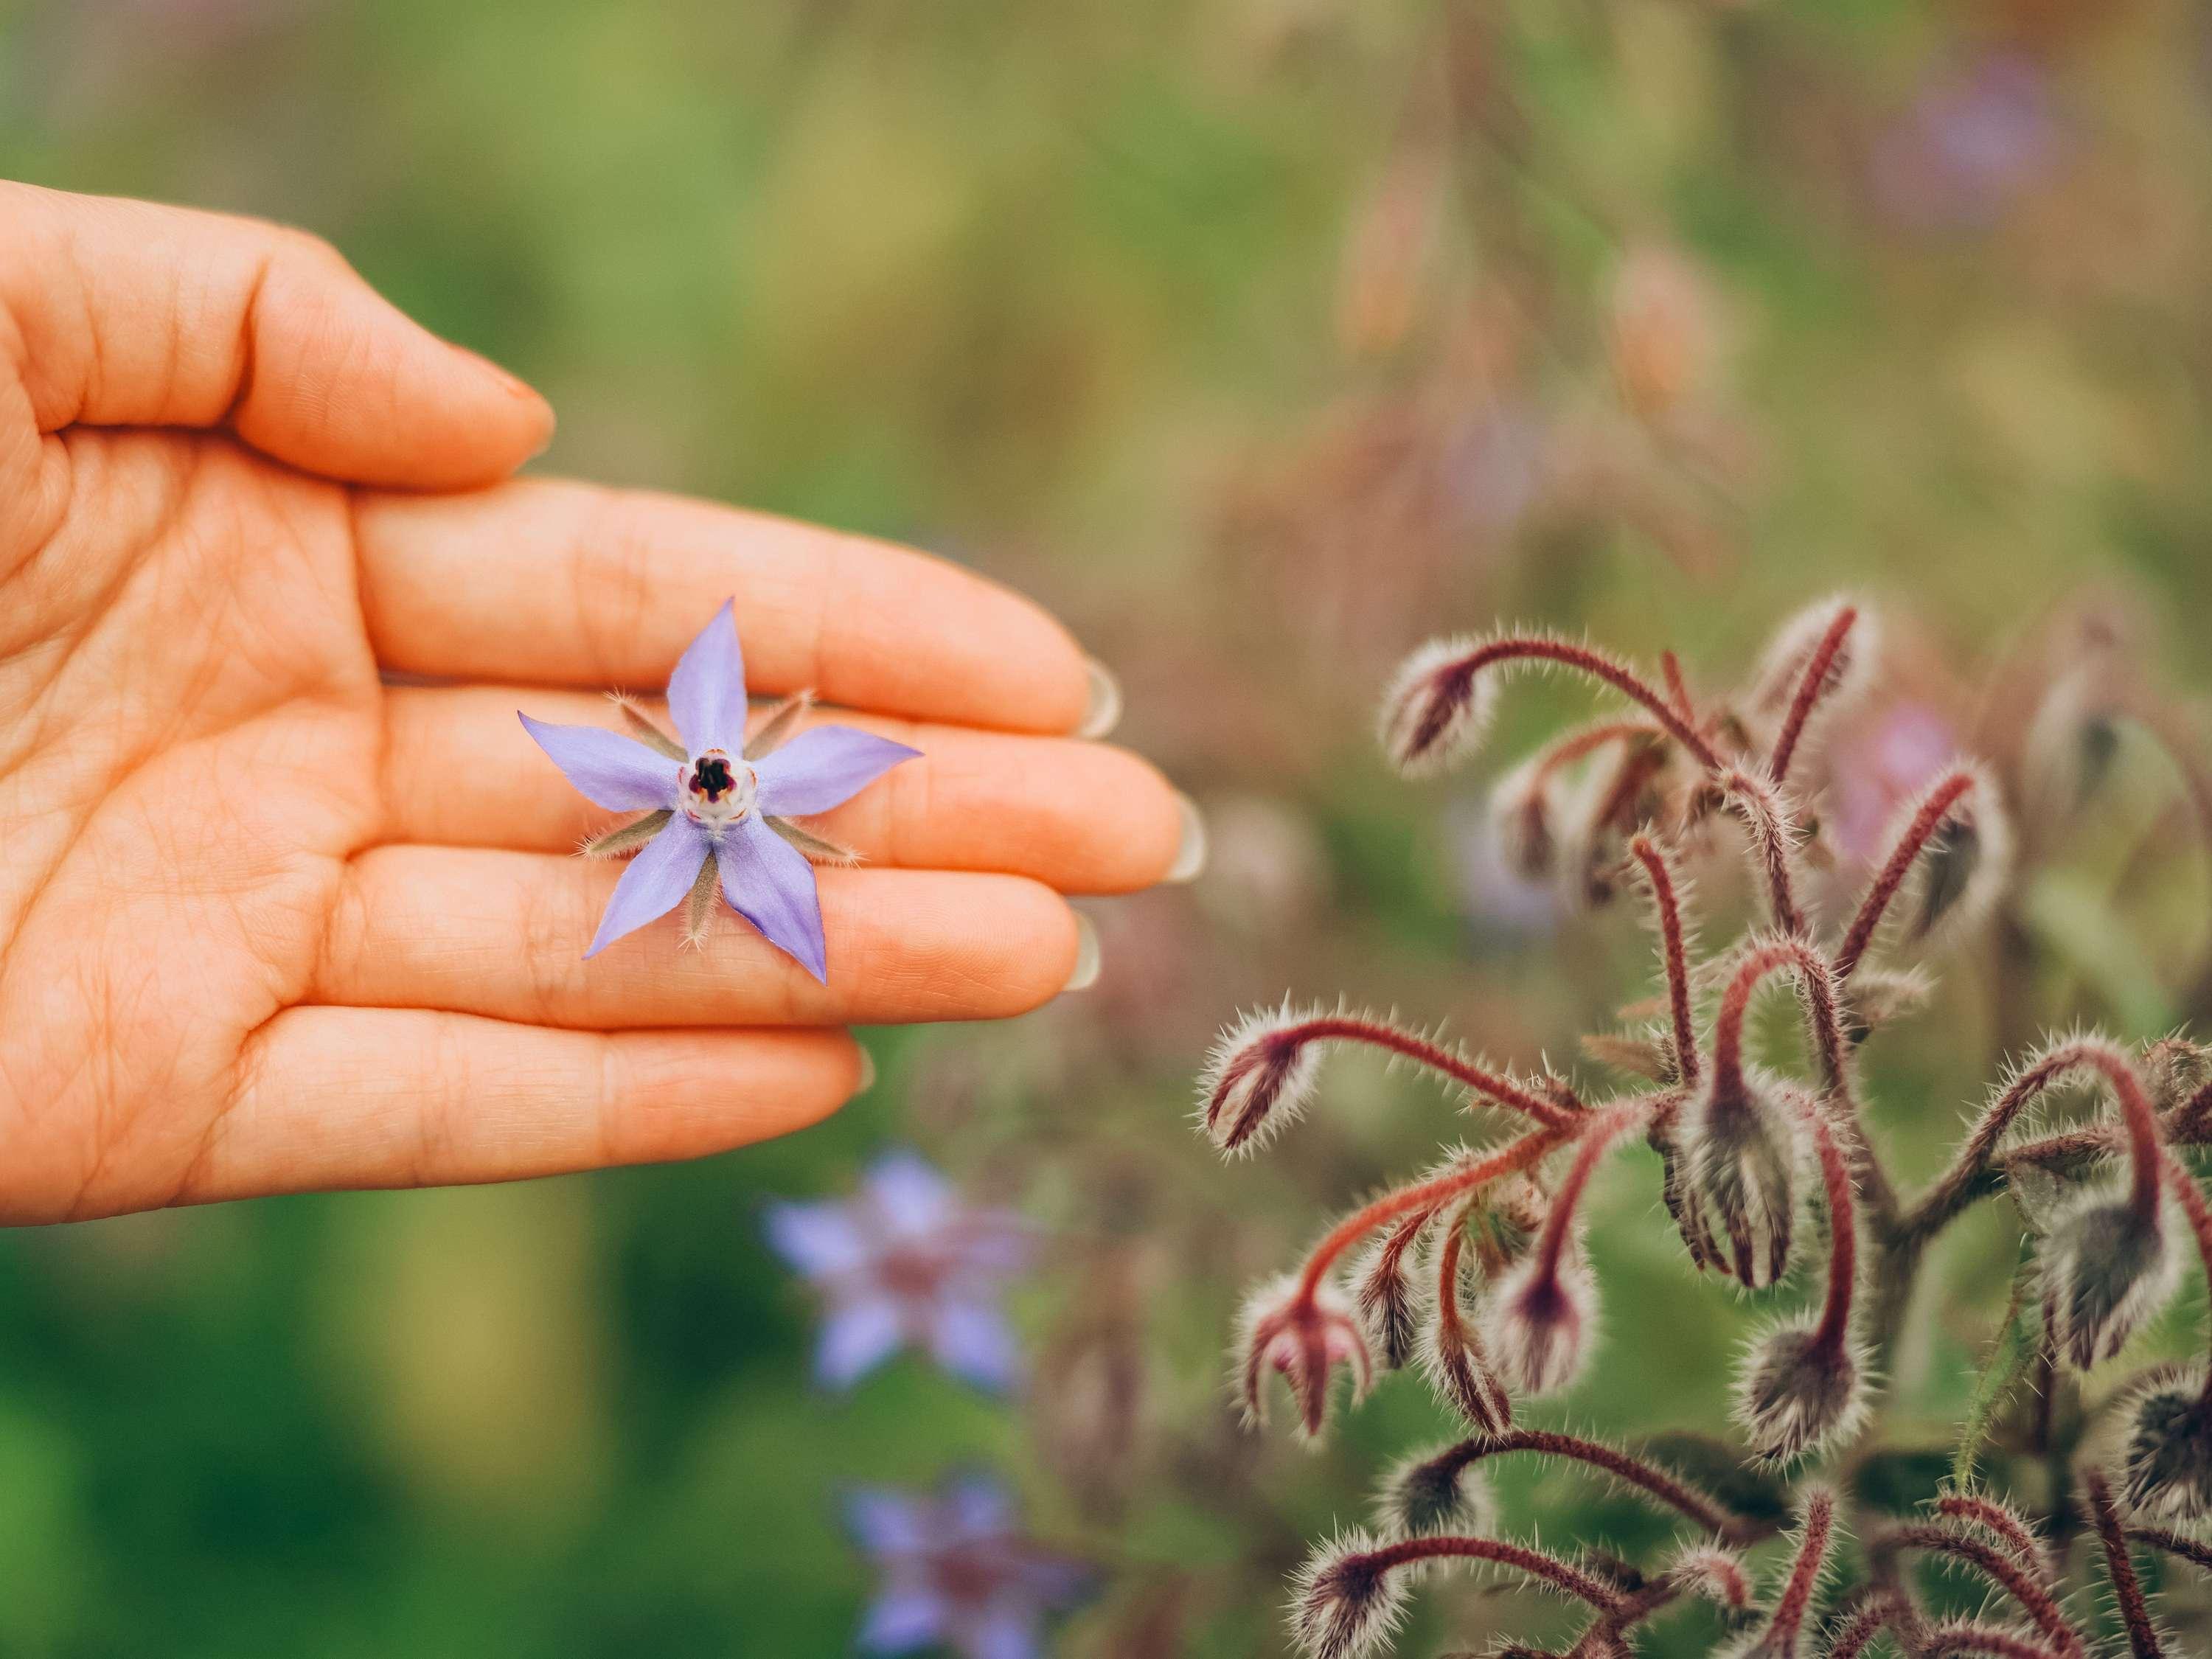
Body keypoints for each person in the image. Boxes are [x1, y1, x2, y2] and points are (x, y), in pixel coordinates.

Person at [0, 183, 1198, 1225]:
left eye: (715, 776)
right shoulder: (666, 810)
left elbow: (806, 833)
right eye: (706, 775)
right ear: (694, 777)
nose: (711, 779)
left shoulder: (764, 822)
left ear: (727, 777)